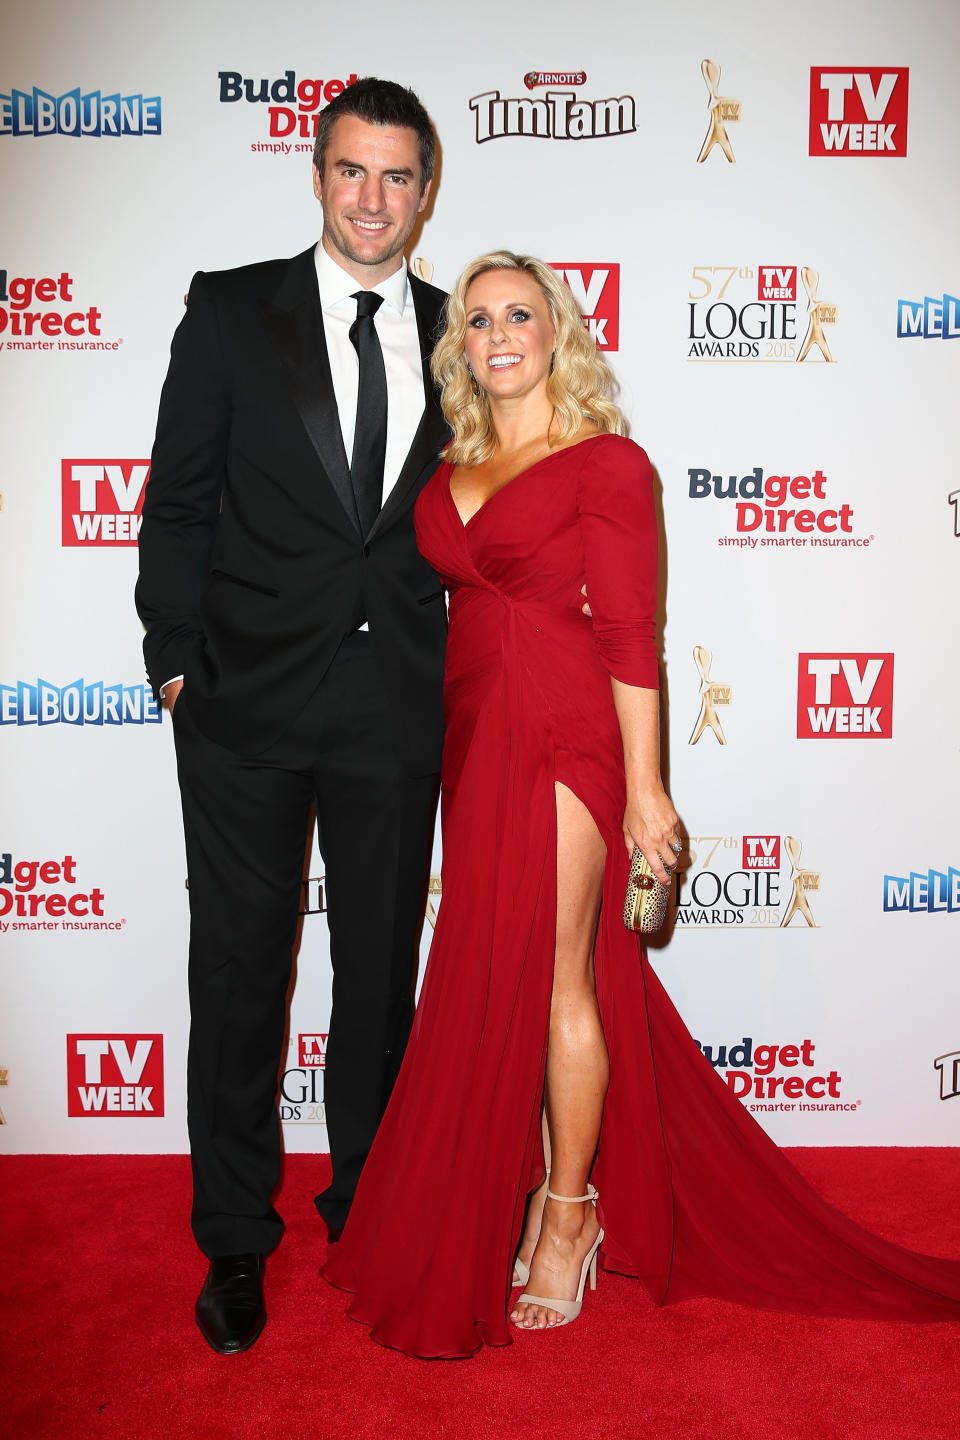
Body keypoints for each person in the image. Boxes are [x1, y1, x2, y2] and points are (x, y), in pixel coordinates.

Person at [323, 251, 960, 1357]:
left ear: (559, 330)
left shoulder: (606, 464)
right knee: (496, 972)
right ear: (458, 345)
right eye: (477, 320)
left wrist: (649, 789)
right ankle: (532, 1190)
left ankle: (568, 1214)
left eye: (521, 313)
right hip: (473, 741)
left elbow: (630, 636)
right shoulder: (452, 463)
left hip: (568, 740)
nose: (499, 334)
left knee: (562, 972)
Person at [135, 78, 449, 1355]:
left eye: (398, 178)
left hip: (392, 709)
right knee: (240, 979)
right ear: (316, 176)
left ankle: (366, 1205)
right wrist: (173, 664)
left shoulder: (457, 330)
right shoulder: (228, 309)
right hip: (244, 706)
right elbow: (178, 502)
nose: (372, 200)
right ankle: (234, 1242)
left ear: (428, 194)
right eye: (352, 172)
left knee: (378, 983)